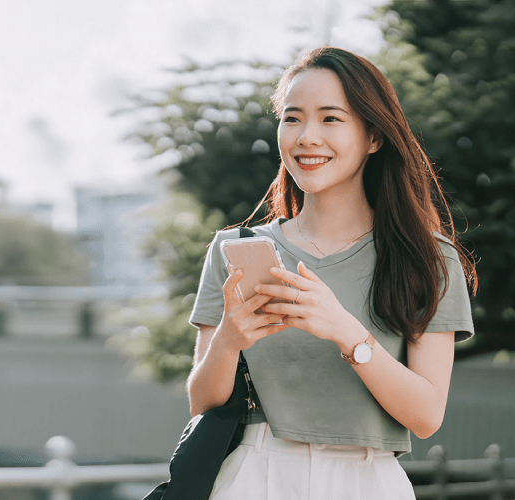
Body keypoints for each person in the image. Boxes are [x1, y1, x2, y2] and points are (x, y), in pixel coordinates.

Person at [187, 46, 477, 499]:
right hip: (254, 476)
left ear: (375, 137)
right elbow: (201, 403)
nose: (306, 137)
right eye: (292, 117)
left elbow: (425, 416)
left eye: (330, 119)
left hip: (366, 481)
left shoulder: (428, 259)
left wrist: (345, 331)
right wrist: (229, 339)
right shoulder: (234, 249)